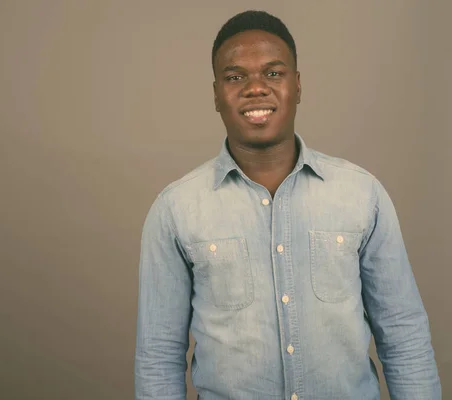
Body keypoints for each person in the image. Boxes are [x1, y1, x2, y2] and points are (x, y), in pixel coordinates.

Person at [134, 9, 441, 400]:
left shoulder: (362, 194)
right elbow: (159, 355)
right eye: (235, 77)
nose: (256, 87)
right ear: (216, 95)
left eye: (273, 73)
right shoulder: (175, 209)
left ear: (297, 86)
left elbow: (403, 334)